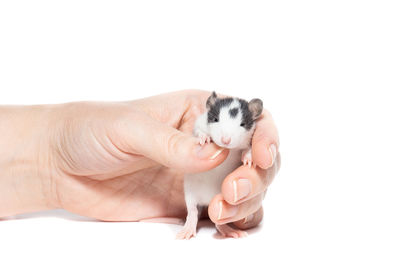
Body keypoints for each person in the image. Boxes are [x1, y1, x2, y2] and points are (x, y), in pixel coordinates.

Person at [0, 90, 280, 230]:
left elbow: (247, 148)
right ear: (211, 112)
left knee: (232, 196)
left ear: (250, 123)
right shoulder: (202, 124)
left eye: (239, 129)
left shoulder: (248, 137)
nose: (226, 138)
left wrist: (247, 156)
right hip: (195, 180)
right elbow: (199, 129)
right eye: (217, 122)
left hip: (211, 183)